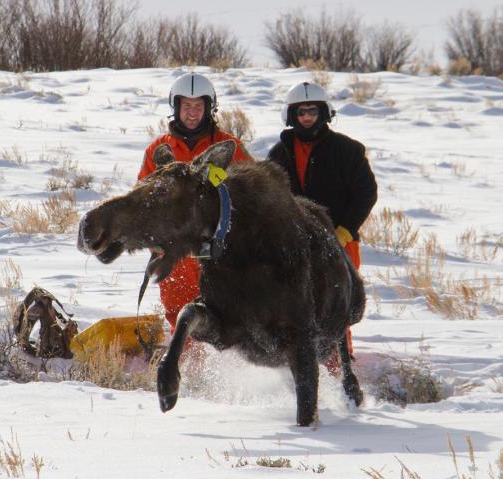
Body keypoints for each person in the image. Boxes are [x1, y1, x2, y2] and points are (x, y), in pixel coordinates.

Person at [266, 81, 377, 357]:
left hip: (340, 242)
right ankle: (297, 363)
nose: (306, 117)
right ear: (291, 115)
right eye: (301, 112)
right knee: (292, 305)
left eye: (313, 111)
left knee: (336, 306)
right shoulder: (278, 154)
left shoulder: (348, 150)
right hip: (294, 246)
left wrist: (346, 230)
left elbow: (366, 193)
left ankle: (340, 364)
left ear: (324, 113)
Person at [138, 72, 252, 329]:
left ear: (209, 108)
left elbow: (252, 192)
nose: (192, 112)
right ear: (175, 107)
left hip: (219, 251)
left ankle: (230, 368)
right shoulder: (157, 150)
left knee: (227, 314)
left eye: (198, 106)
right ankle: (186, 367)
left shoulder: (229, 146)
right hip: (173, 251)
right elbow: (142, 201)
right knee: (179, 313)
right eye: (186, 106)